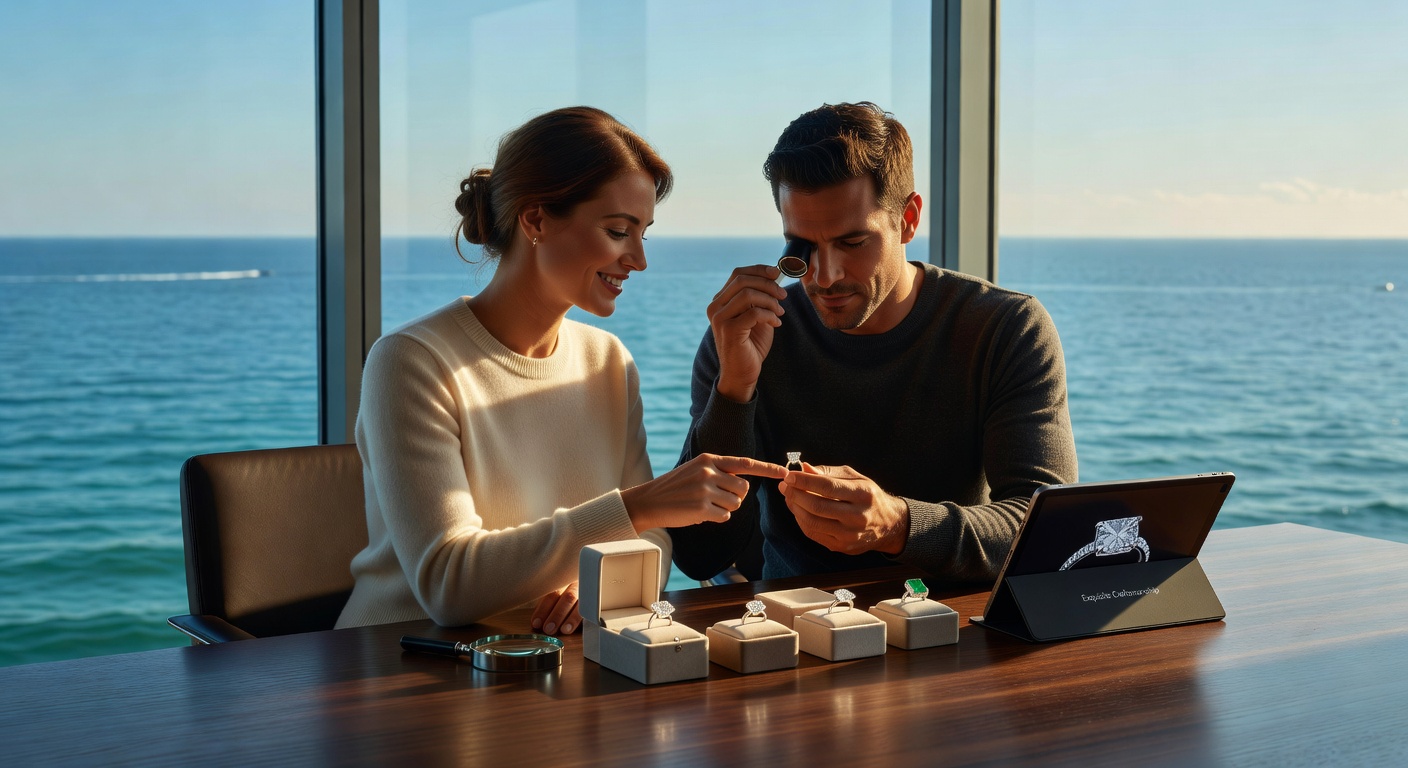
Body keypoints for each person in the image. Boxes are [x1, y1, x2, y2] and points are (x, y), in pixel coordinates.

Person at [336, 107, 784, 634]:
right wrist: (636, 508)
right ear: (536, 220)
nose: (637, 259)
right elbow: (447, 585)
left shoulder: (607, 362)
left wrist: (598, 580)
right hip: (405, 667)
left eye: (644, 234)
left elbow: (656, 544)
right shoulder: (411, 361)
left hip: (550, 661)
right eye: (619, 230)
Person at [669, 102, 1077, 585]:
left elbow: (1052, 533)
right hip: (798, 627)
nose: (825, 276)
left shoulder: (1005, 328)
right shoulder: (746, 337)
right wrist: (735, 390)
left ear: (908, 219)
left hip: (959, 627)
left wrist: (899, 526)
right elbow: (700, 556)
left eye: (853, 242)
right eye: (803, 246)